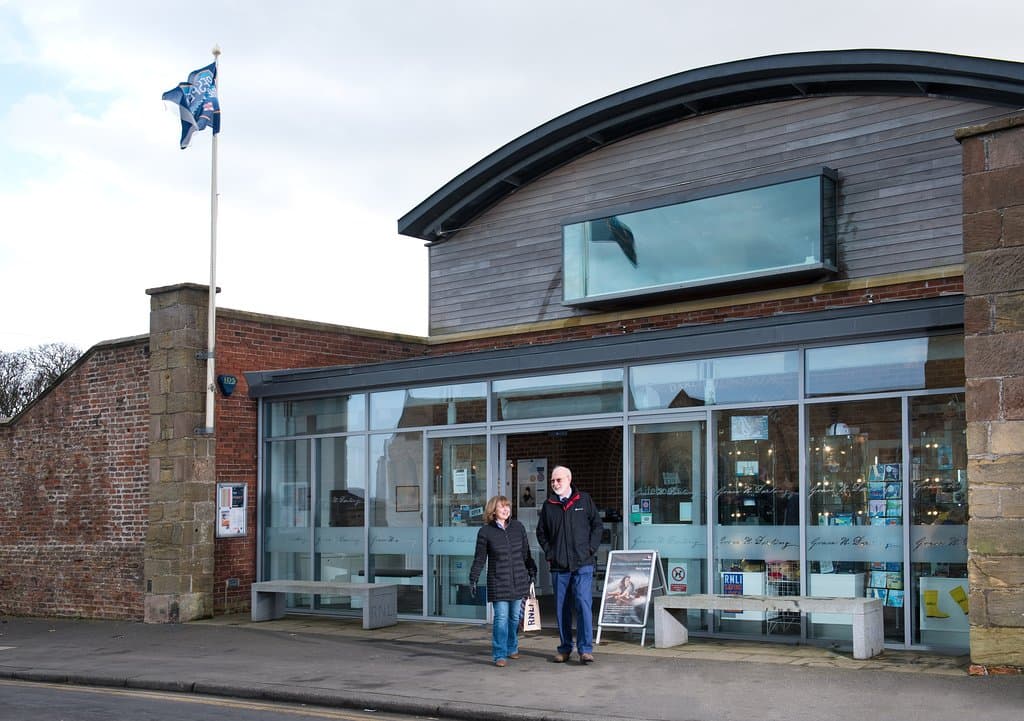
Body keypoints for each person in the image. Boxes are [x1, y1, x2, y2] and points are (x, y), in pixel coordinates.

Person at [536, 465, 604, 665]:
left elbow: (597, 526)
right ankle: (565, 648)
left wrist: (591, 549)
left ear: (569, 479)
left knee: (583, 605)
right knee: (561, 609)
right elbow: (542, 533)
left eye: (559, 480)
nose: (555, 483)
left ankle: (585, 649)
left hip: (583, 564)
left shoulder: (584, 500)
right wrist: (551, 553)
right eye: (552, 481)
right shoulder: (549, 505)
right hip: (559, 566)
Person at [469, 495, 537, 667]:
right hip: (498, 581)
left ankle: (512, 647)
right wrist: (473, 578)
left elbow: (526, 553)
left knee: (514, 618)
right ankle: (499, 653)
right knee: (501, 618)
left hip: (518, 580)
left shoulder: (518, 527)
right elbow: (479, 558)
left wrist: (532, 570)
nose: (506, 510)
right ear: (493, 511)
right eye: (502, 507)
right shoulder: (485, 531)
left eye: (508, 506)